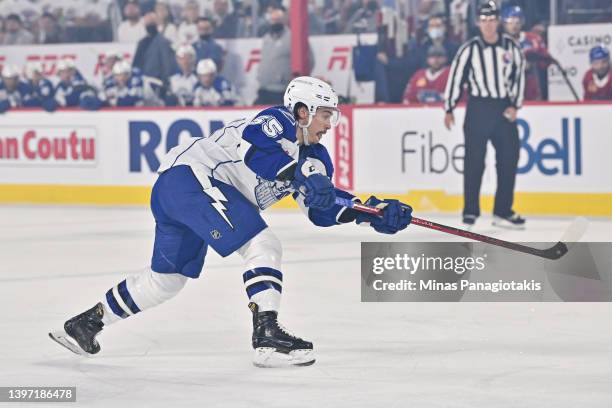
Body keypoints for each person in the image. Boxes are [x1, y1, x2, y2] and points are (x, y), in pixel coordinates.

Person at [49, 76, 412, 368]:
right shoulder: (278, 121)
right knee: (263, 245)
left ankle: (86, 323)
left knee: (167, 280)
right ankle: (267, 335)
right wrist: (302, 178)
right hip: (189, 179)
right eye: (324, 114)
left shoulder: (314, 156)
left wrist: (372, 213)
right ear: (302, 110)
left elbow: (320, 208)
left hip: (181, 193)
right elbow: (256, 152)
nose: (330, 124)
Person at [443, 1, 526, 230]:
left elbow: (519, 77)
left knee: (509, 159)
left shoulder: (511, 47)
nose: (488, 25)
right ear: (478, 23)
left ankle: (502, 211)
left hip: (503, 109)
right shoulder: (469, 49)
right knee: (474, 162)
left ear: (498, 22)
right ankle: (470, 212)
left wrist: (515, 105)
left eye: (492, 20)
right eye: (484, 21)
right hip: (478, 108)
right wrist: (449, 107)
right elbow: (456, 78)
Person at [255, 8, 313, 105]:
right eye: (273, 20)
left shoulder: (294, 37)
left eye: (278, 20)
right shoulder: (267, 38)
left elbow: (309, 60)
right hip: (264, 89)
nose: (275, 23)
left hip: (282, 90)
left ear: (284, 20)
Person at [501, 5, 550, 101]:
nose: (514, 26)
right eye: (510, 22)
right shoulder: (500, 43)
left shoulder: (533, 40)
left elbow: (546, 61)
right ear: (504, 24)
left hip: (532, 89)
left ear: (522, 22)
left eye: (517, 22)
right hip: (507, 90)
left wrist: (534, 60)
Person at [132, 12, 178, 86]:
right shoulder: (141, 43)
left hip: (159, 82)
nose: (149, 25)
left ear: (157, 23)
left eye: (152, 22)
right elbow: (136, 65)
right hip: (143, 82)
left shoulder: (164, 42)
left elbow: (167, 66)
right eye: (147, 23)